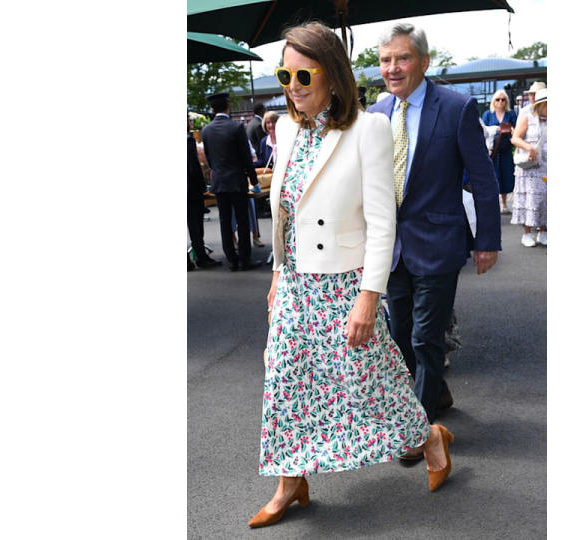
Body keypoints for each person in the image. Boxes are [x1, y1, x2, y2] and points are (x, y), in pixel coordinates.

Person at [250, 22, 454, 529]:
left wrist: (369, 297)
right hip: (296, 284)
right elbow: (287, 211)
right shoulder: (287, 128)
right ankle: (289, 480)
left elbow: (383, 222)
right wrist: (278, 271)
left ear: (332, 74)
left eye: (303, 74)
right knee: (285, 383)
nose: (292, 85)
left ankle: (428, 437)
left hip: (344, 284)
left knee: (371, 383)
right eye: (284, 74)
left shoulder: (368, 129)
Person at [367, 23, 501, 443]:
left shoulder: (457, 107)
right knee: (402, 335)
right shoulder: (375, 114)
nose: (393, 68)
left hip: (440, 244)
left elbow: (483, 179)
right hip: (391, 248)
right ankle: (437, 395)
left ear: (424, 62)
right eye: (386, 60)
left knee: (426, 335)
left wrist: (488, 242)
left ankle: (417, 431)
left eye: (402, 58)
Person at [200, 92, 264, 271]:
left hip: (219, 182)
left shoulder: (206, 130)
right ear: (228, 107)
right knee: (242, 221)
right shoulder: (236, 128)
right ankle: (245, 259)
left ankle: (232, 259)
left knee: (225, 221)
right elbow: (246, 159)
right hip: (237, 181)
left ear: (212, 109)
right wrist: (254, 181)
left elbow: (210, 159)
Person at [511, 87, 548, 247]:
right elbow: (515, 139)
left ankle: (543, 231)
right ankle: (527, 233)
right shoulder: (528, 117)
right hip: (529, 168)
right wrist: (529, 147)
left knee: (546, 200)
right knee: (530, 199)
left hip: (546, 166)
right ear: (541, 105)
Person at [188, 115, 221, 270]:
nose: (191, 122)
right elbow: (193, 168)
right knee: (195, 227)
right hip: (190, 190)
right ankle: (201, 257)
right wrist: (203, 188)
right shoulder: (188, 140)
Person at [482, 89, 517, 214]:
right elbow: (483, 130)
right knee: (493, 177)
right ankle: (493, 204)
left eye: (503, 99)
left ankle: (504, 203)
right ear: (494, 101)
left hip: (506, 149)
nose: (500, 102)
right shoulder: (488, 114)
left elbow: (516, 131)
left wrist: (510, 129)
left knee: (506, 176)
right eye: (498, 99)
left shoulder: (511, 114)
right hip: (493, 151)